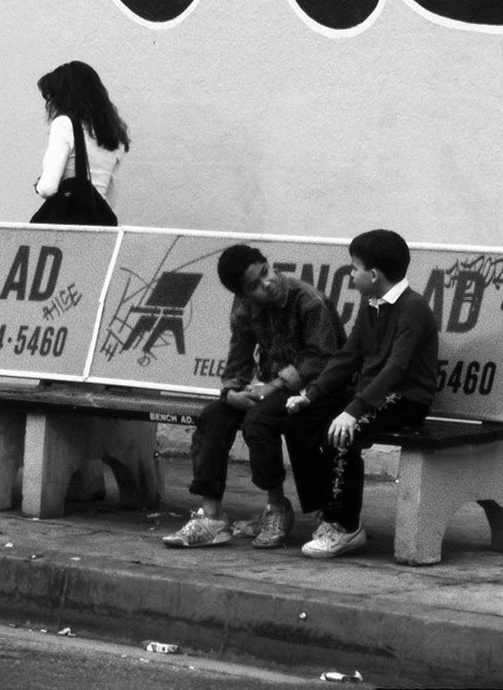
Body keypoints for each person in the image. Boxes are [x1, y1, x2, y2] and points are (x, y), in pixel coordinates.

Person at [162, 244, 345, 550]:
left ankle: (277, 508)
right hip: (272, 389)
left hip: (315, 390)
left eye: (266, 273)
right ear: (243, 293)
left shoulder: (309, 301)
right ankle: (212, 517)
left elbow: (322, 358)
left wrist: (273, 386)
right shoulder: (244, 309)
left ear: (269, 264)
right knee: (213, 416)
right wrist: (231, 392)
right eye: (255, 286)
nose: (267, 284)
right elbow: (238, 359)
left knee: (259, 420)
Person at [286, 229, 439, 559]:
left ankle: (344, 526)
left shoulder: (412, 308)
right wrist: (311, 395)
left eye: (354, 268)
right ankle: (323, 510)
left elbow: (396, 369)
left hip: (405, 399)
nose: (351, 274)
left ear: (374, 274)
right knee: (300, 419)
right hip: (371, 395)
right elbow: (348, 356)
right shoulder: (372, 305)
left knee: (343, 432)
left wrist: (353, 410)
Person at [33, 60, 130, 210]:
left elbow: (47, 188)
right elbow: (110, 194)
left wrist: (39, 186)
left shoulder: (64, 124)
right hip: (99, 226)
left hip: (70, 224)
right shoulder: (114, 135)